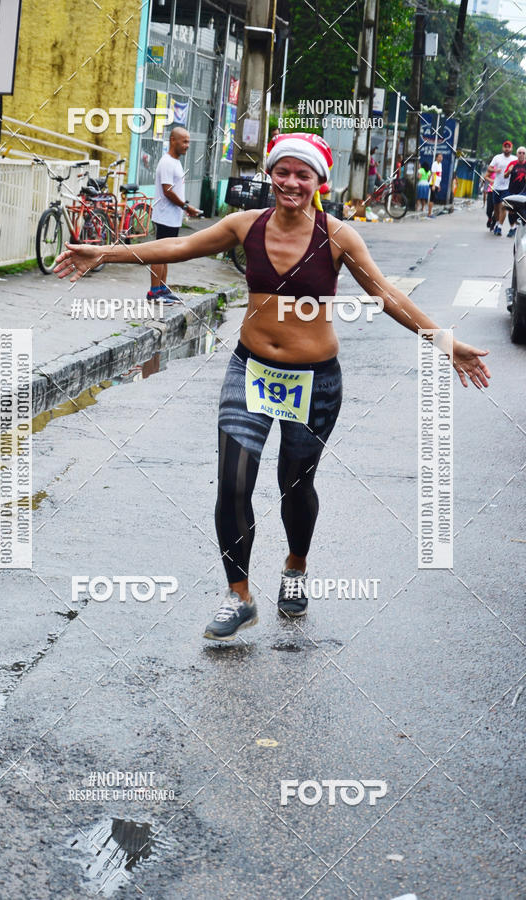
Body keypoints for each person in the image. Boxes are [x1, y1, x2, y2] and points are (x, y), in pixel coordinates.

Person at [55, 132, 490, 641]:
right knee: (234, 482)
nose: (290, 182)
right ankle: (238, 595)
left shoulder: (338, 236)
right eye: (282, 172)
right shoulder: (245, 226)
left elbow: (385, 294)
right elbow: (180, 245)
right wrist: (105, 254)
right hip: (251, 370)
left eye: (302, 175)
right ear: (270, 175)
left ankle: (295, 568)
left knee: (295, 483)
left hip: (315, 381)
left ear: (318, 183)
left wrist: (444, 342)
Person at [149, 126, 201, 304]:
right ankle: (154, 292)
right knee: (159, 254)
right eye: (184, 141)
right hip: (164, 216)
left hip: (172, 217)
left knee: (167, 254)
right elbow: (167, 190)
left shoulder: (176, 162)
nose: (187, 145)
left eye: (188, 141)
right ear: (173, 140)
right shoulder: (166, 162)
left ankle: (163, 289)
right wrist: (186, 206)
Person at [489, 140, 517, 236]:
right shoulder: (497, 158)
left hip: (507, 187)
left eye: (509, 147)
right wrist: (495, 170)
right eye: (505, 147)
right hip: (496, 186)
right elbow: (489, 168)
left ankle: (500, 227)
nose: (507, 148)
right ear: (503, 148)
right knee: (496, 208)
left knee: (503, 207)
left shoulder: (515, 159)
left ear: (511, 148)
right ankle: (497, 223)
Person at [503, 146, 526, 238]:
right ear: (517, 154)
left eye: (523, 153)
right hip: (512, 191)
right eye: (519, 153)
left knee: (522, 212)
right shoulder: (512, 164)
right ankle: (512, 228)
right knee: (511, 211)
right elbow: (505, 175)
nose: (521, 155)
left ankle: (520, 228)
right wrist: (508, 171)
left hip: (524, 192)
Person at [427, 152, 443, 217]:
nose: (441, 158)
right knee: (432, 198)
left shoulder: (440, 164)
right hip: (433, 183)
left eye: (441, 157)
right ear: (436, 158)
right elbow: (433, 174)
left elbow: (439, 175)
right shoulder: (434, 164)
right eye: (439, 157)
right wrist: (433, 185)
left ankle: (430, 212)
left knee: (433, 199)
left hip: (437, 183)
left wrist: (438, 185)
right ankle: (429, 213)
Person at [483, 163, 496, 230]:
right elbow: (486, 176)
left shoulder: (506, 168)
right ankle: (489, 218)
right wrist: (492, 181)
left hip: (500, 191)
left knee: (497, 209)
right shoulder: (493, 168)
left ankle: (494, 222)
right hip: (491, 191)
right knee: (489, 209)